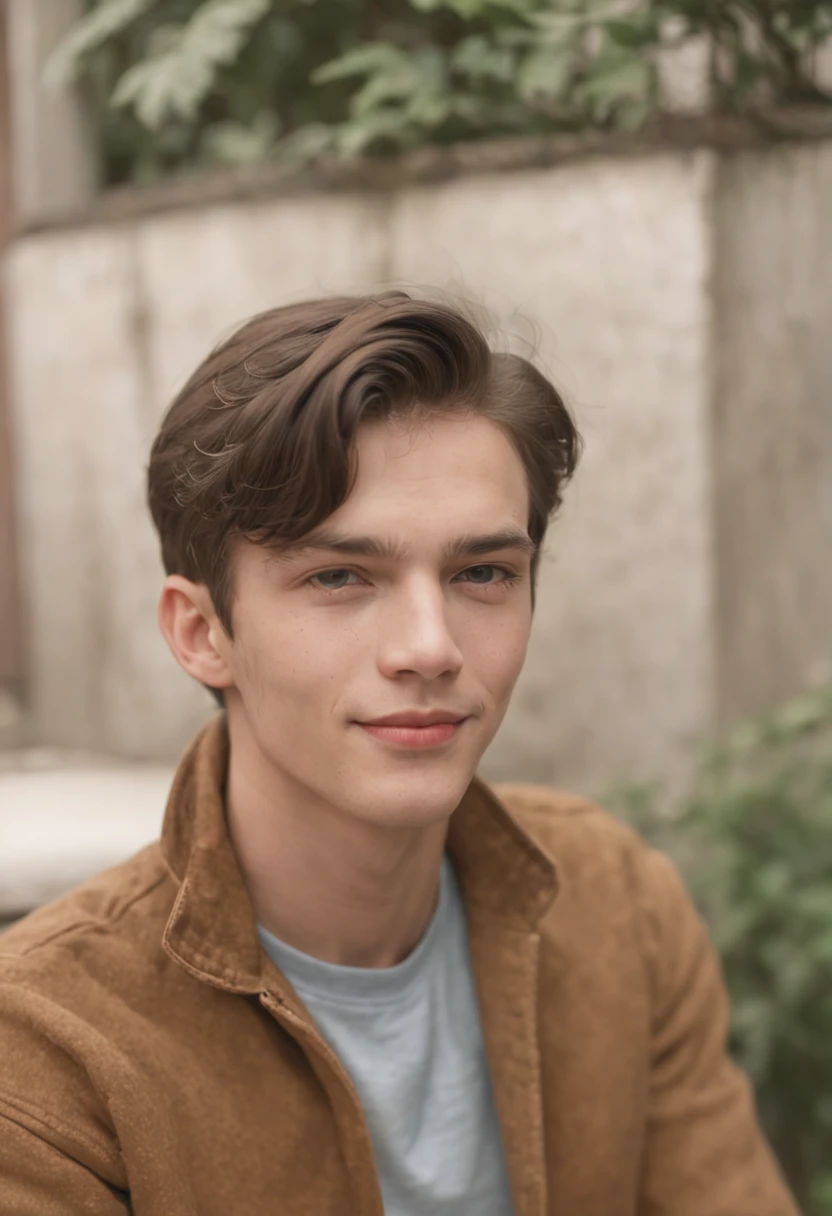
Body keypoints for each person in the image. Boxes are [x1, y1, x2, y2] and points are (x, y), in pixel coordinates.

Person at [0, 292, 797, 1215]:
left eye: (482, 574)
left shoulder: (618, 908)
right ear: (202, 630)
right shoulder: (44, 1049)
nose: (430, 645)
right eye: (340, 576)